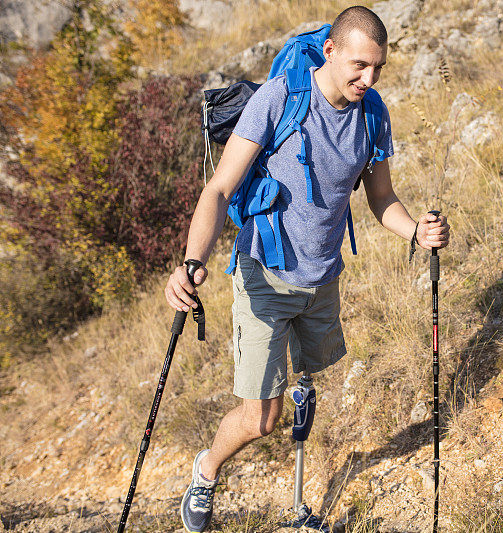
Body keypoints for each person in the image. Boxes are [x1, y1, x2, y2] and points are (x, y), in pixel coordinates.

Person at [164, 6, 450, 532]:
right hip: (265, 275)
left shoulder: (372, 113)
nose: (369, 79)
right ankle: (206, 470)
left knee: (311, 374)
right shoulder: (280, 99)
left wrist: (415, 231)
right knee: (261, 418)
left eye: (378, 69)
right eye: (359, 66)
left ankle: (296, 412)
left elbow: (381, 196)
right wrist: (192, 262)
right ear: (331, 52)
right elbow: (219, 188)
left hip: (322, 280)